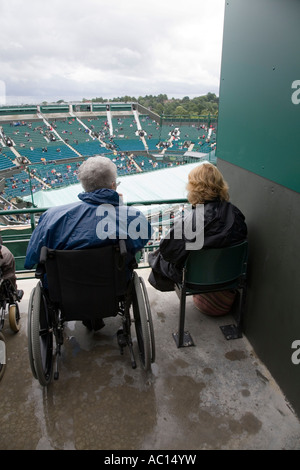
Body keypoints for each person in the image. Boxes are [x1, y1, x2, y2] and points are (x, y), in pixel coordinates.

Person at [24, 155, 152, 330]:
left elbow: (31, 260)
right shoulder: (132, 216)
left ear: (84, 185)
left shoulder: (51, 217)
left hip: (65, 291)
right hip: (113, 287)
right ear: (113, 185)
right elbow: (139, 243)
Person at [148, 162, 247, 316]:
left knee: (158, 255)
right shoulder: (236, 214)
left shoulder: (190, 220)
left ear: (194, 187)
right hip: (228, 277)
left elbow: (168, 252)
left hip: (195, 281)